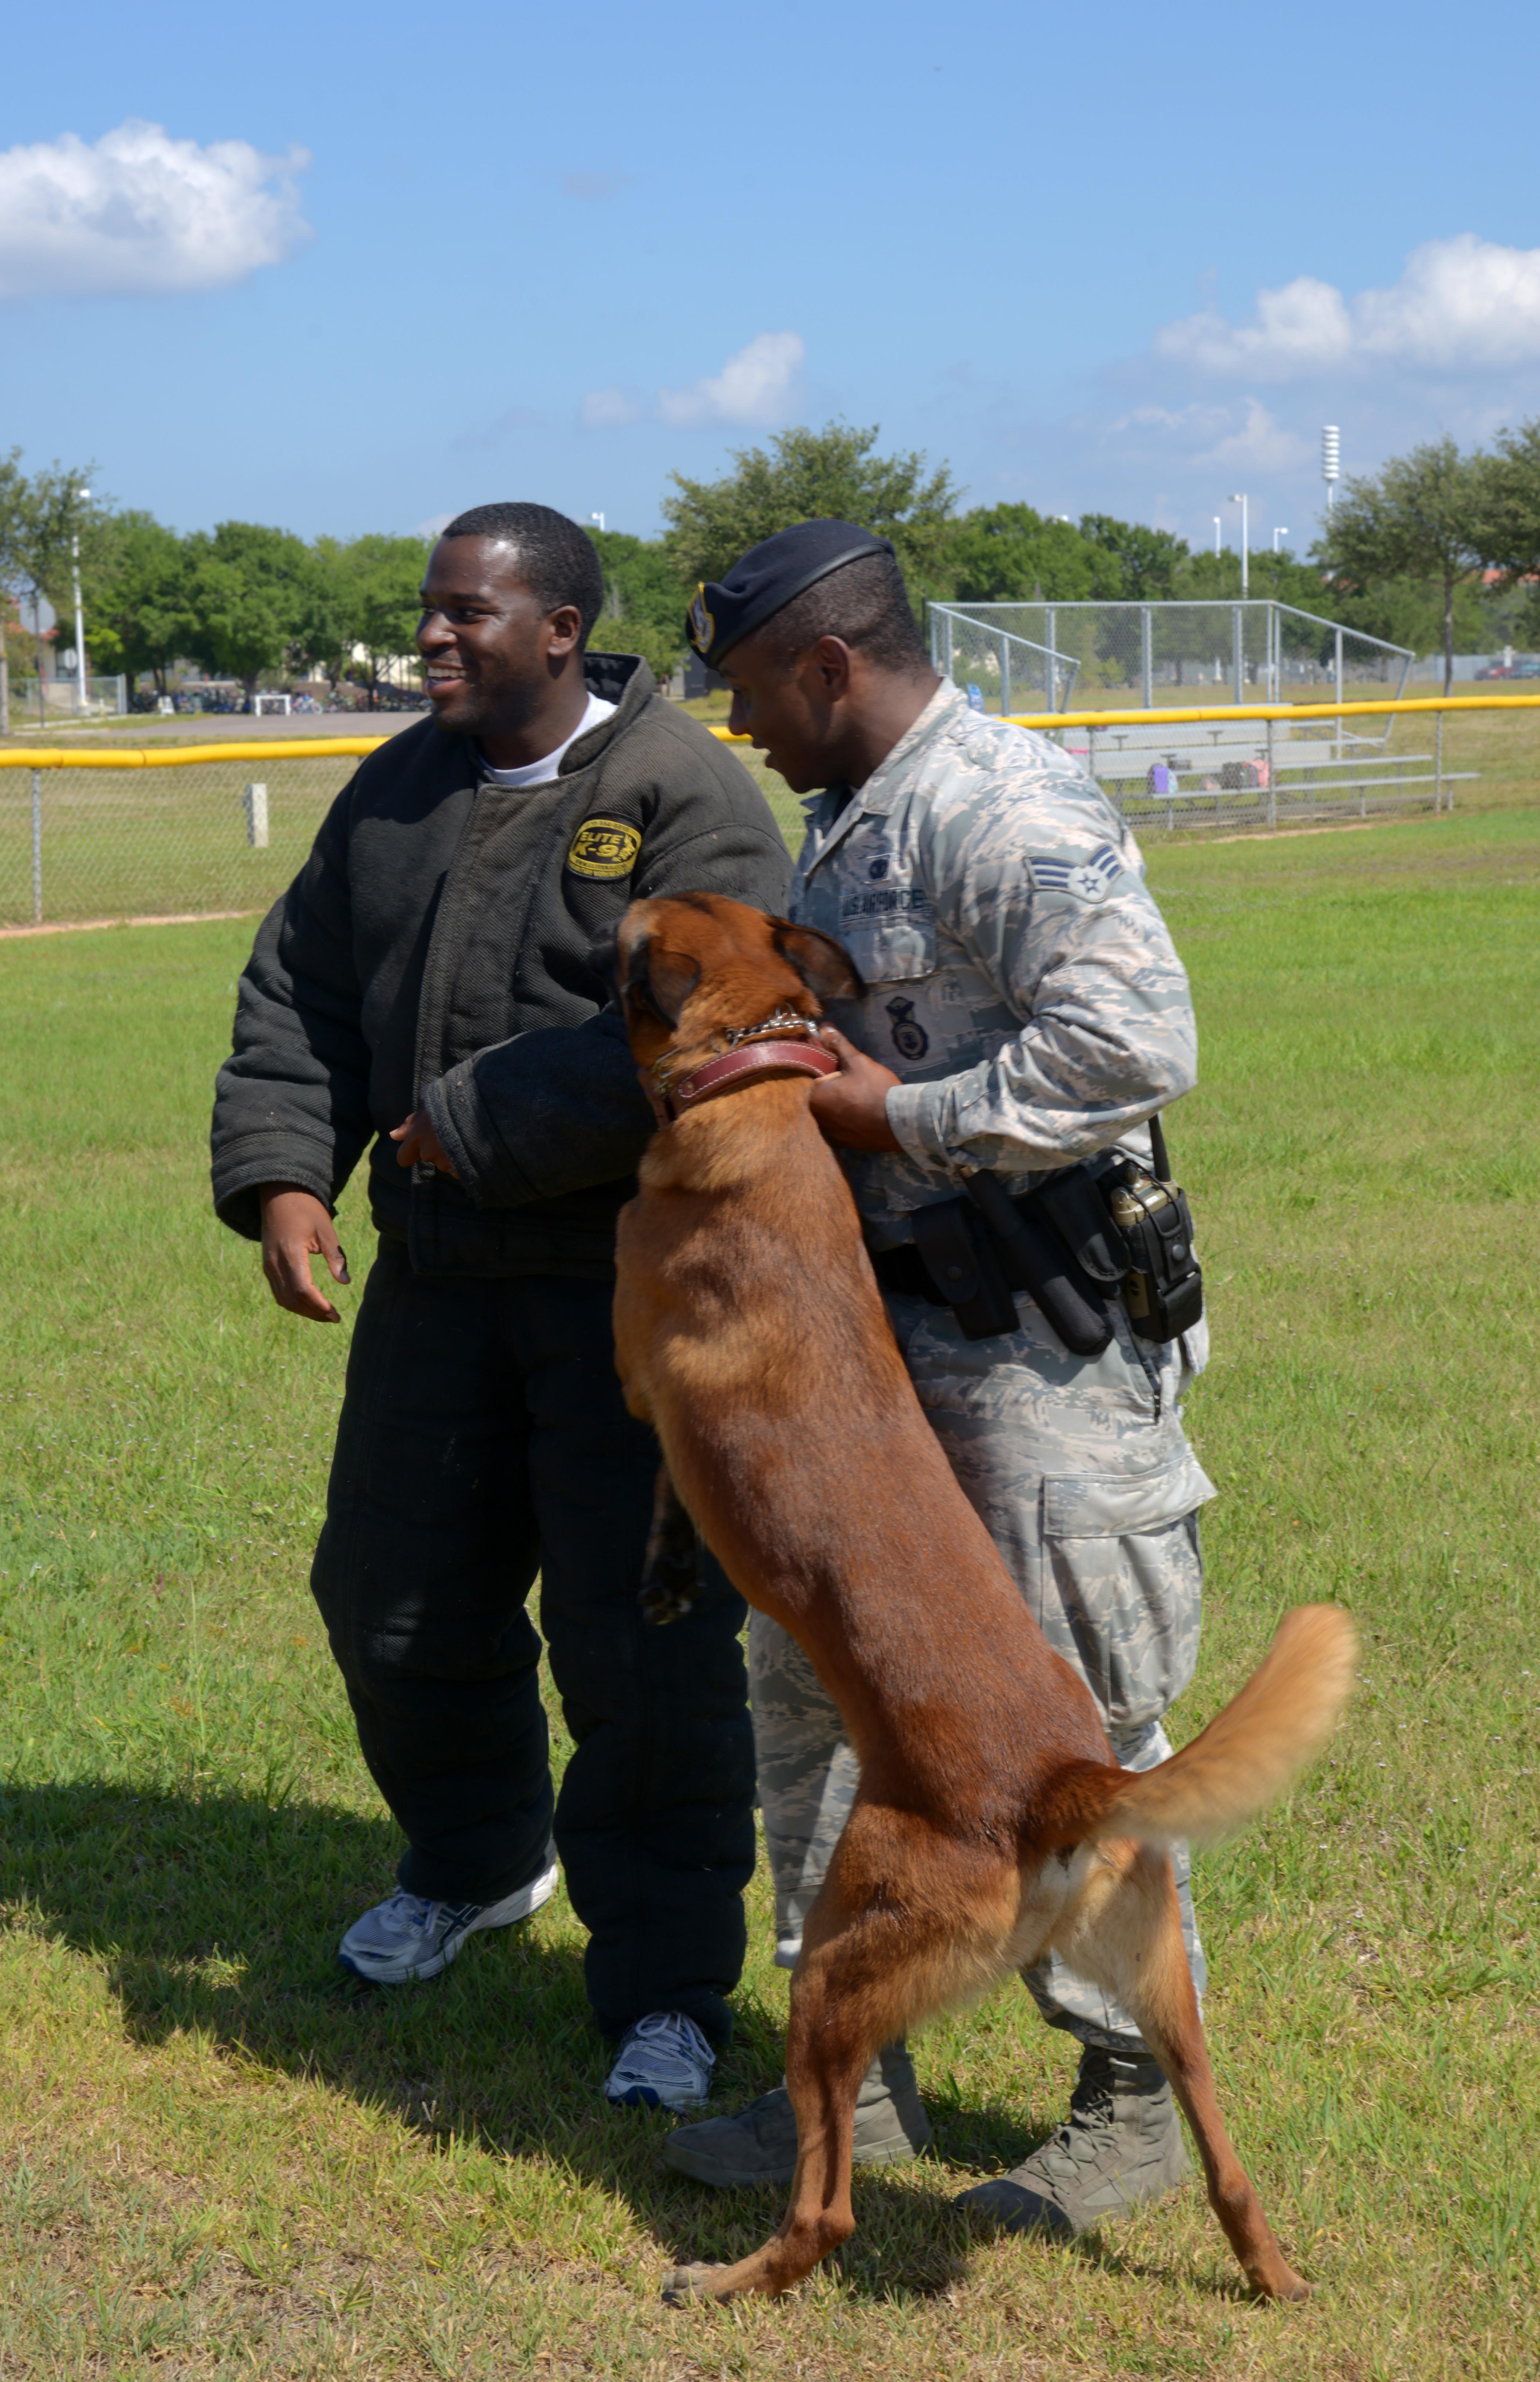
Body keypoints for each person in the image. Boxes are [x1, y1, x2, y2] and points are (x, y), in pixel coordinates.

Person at [662, 520, 1216, 2235]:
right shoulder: (853, 817)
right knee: (820, 1698)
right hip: (878, 1361)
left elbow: (1132, 1046)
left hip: (1038, 1348)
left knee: (1066, 1738)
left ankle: (1127, 2102)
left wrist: (887, 1117)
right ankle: (857, 2077)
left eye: (755, 690)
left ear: (829, 666)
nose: (739, 724)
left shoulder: (1001, 808)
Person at [210, 503, 793, 2111]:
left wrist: (472, 1123)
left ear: (561, 627)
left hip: (631, 1302)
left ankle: (668, 1992)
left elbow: (724, 1023)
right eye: (429, 612)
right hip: (439, 1287)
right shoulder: (399, 786)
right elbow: (301, 990)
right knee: (388, 1600)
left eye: (469, 614)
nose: (435, 639)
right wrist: (284, 1176)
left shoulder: (680, 794)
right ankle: (474, 1862)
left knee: (643, 1654)